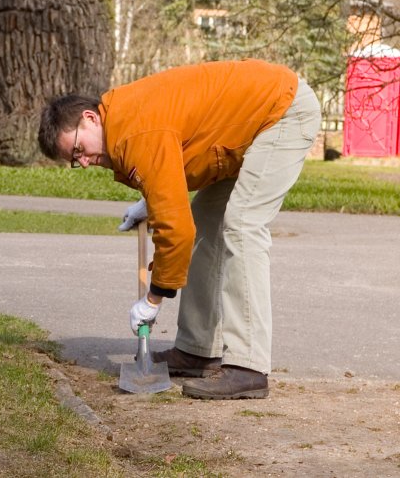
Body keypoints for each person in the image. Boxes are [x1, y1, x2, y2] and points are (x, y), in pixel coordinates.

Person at [38, 59, 321, 400]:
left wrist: (154, 299)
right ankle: (197, 349)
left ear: (90, 118)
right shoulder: (124, 120)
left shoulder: (134, 131)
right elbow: (171, 163)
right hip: (246, 127)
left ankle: (248, 366)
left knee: (242, 224)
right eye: (75, 160)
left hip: (280, 111)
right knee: (204, 222)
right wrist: (152, 200)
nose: (83, 162)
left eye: (79, 150)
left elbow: (176, 231)